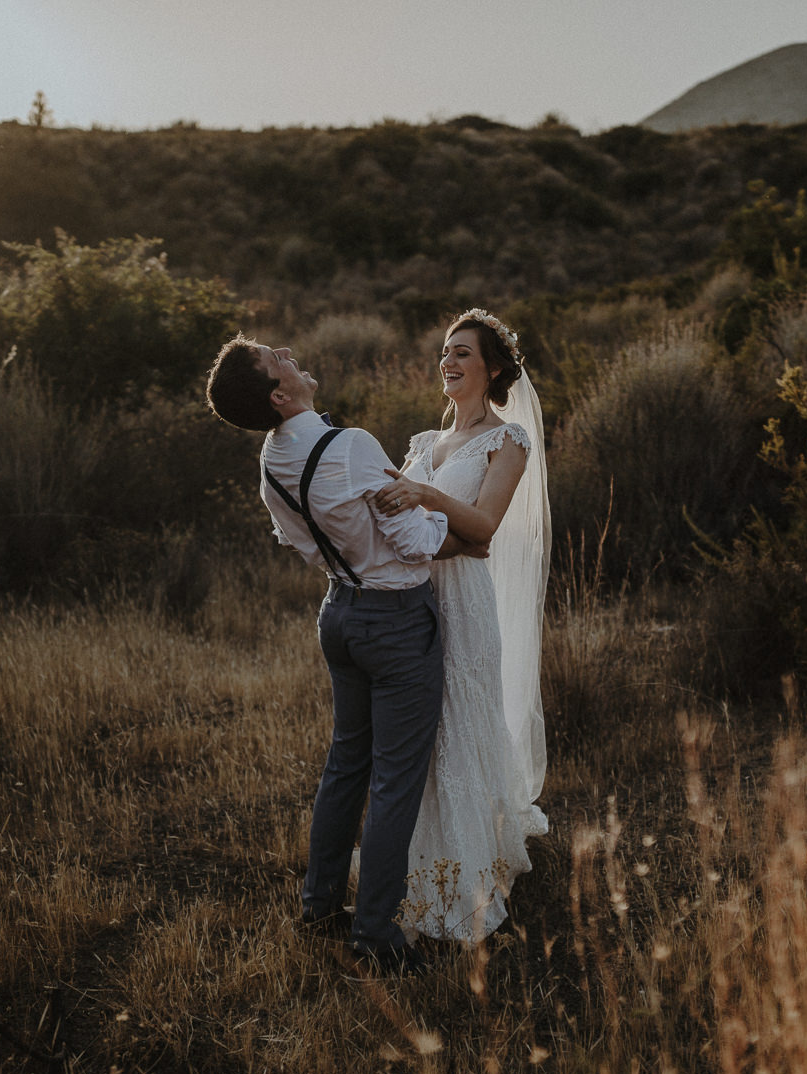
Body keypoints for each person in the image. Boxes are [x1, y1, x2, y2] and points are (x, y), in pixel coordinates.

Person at [205, 335, 478, 976]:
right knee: (394, 780)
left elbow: (293, 540)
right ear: (279, 392)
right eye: (278, 357)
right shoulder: (350, 446)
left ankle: (320, 904)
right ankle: (377, 934)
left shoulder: (272, 458)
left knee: (346, 765)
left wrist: (355, 546)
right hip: (395, 620)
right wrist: (451, 527)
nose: (290, 352)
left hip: (339, 614)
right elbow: (413, 543)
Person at [369, 309, 551, 943]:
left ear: (492, 367)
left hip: (465, 605)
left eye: (463, 353)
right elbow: (395, 516)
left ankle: (466, 877)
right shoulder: (423, 445)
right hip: (412, 599)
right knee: (418, 738)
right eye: (444, 352)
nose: (448, 362)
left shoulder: (508, 442)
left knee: (461, 727)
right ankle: (414, 870)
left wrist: (428, 501)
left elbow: (485, 530)